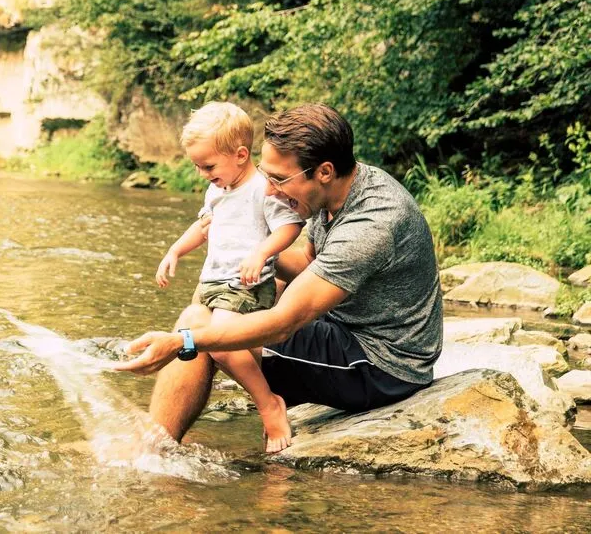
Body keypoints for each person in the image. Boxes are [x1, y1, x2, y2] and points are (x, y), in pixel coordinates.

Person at [115, 103, 444, 451]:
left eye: (279, 179)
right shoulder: (335, 193)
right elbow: (308, 262)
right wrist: (242, 250)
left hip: (380, 364)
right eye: (265, 174)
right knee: (212, 307)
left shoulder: (372, 224)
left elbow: (284, 323)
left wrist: (182, 343)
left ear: (324, 171)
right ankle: (157, 442)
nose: (269, 191)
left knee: (197, 330)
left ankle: (152, 450)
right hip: (346, 324)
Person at [154, 102, 304, 452]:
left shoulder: (261, 188)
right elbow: (203, 227)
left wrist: (262, 252)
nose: (203, 173)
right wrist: (175, 251)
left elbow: (290, 226)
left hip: (246, 285)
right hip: (212, 282)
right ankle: (171, 430)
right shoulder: (217, 190)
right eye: (197, 166)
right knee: (214, 346)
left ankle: (269, 404)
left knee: (217, 345)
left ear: (239, 154)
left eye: (208, 165)